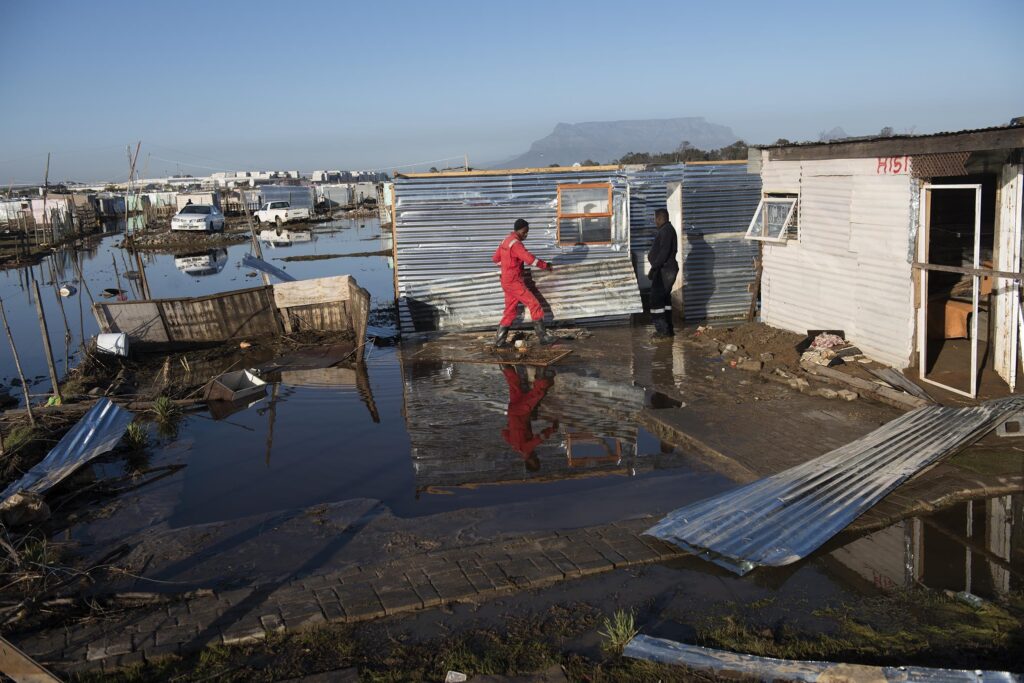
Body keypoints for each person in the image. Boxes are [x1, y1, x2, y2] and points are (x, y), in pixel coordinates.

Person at [492, 218, 555, 347]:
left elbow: (495, 258)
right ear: (519, 230)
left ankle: (499, 341)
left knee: (510, 310)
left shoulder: (506, 240)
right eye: (525, 232)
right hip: (514, 281)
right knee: (534, 304)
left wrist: (507, 267)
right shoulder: (516, 244)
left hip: (506, 280)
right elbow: (530, 259)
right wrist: (546, 265)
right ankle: (543, 337)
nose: (526, 235)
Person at [500, 365, 558, 471]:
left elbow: (540, 438)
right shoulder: (515, 446)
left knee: (538, 393)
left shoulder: (526, 449)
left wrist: (552, 430)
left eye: (535, 460)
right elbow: (504, 433)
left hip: (522, 412)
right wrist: (512, 425)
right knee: (514, 388)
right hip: (512, 411)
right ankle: (505, 365)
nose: (536, 457)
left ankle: (540, 372)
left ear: (529, 461)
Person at [647, 208, 679, 338]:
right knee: (665, 300)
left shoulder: (665, 231)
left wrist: (654, 268)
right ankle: (668, 329)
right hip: (666, 269)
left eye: (655, 218)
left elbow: (664, 252)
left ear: (660, 218)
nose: (655, 221)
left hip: (664, 270)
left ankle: (662, 331)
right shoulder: (667, 230)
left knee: (656, 300)